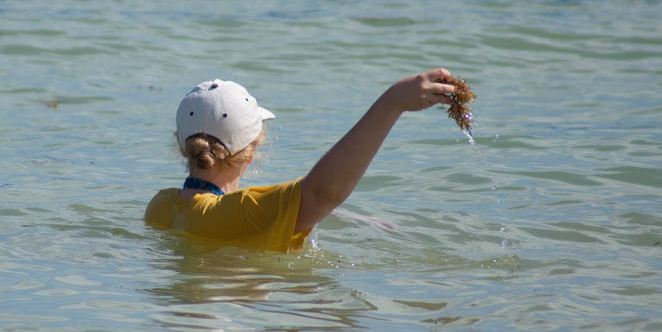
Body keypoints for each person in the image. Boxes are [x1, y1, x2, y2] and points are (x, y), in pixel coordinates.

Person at [144, 68, 457, 251]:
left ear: (182, 146)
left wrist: (352, 218)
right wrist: (392, 103)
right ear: (252, 151)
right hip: (231, 327)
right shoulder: (236, 214)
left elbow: (232, 209)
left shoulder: (160, 205)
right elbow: (322, 193)